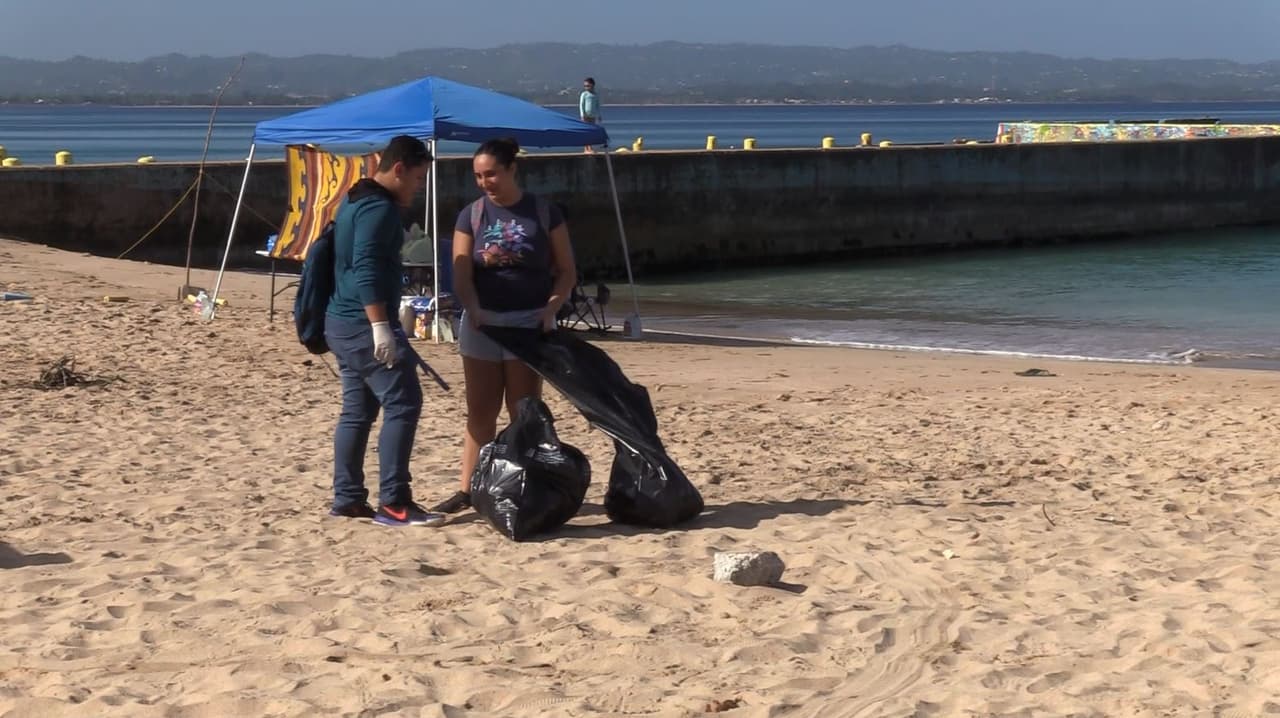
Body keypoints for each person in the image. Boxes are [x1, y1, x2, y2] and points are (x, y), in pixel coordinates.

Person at [431, 137, 577, 516]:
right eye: (478, 176)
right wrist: (472, 307)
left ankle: (524, 484)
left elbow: (566, 272)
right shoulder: (472, 214)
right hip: (482, 325)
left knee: (523, 411)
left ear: (512, 169)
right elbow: (461, 270)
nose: (485, 182)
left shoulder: (544, 213)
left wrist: (551, 310)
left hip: (528, 326)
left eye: (491, 174)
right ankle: (467, 490)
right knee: (480, 411)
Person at [325, 134, 445, 527]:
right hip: (362, 324)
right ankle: (395, 502)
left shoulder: (354, 198)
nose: (417, 187)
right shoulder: (378, 209)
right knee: (404, 402)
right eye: (416, 178)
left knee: (357, 411)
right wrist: (380, 327)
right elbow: (366, 268)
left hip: (340, 321)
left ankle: (347, 497)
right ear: (399, 169)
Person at [579, 77, 601, 153]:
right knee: (586, 132)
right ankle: (586, 148)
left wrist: (599, 115)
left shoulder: (595, 95)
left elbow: (597, 106)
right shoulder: (584, 94)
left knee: (591, 132)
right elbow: (581, 105)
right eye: (585, 86)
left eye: (588, 86)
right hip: (585, 116)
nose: (586, 87)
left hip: (593, 116)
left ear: (593, 85)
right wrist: (582, 115)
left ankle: (590, 147)